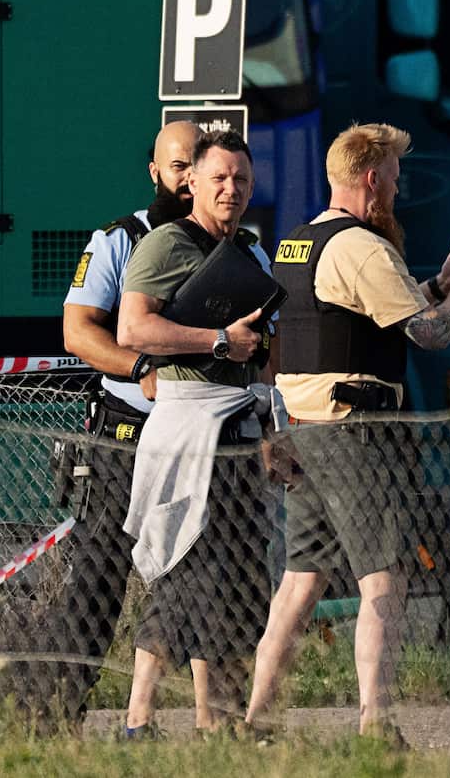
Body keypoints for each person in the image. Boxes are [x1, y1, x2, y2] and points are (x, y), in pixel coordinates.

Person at [242, 123, 450, 740]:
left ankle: (257, 717)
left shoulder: (298, 243)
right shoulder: (365, 247)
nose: (399, 188)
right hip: (354, 434)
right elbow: (429, 333)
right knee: (384, 576)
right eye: (395, 177)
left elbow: (360, 316)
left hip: (303, 431)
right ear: (372, 180)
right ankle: (377, 722)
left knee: (300, 580)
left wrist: (441, 281)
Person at [116, 129, 276, 734]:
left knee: (232, 572)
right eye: (218, 178)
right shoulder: (163, 245)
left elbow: (265, 347)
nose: (230, 188)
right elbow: (132, 330)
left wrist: (273, 428)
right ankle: (169, 716)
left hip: (238, 421)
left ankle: (196, 717)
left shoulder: (253, 252)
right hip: (186, 423)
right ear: (192, 183)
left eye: (240, 179)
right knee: (188, 566)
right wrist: (214, 341)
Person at [54, 120, 201, 726]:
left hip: (198, 433)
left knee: (196, 569)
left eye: (199, 166)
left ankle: (212, 718)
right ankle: (57, 712)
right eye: (178, 165)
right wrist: (140, 367)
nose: (188, 178)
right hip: (129, 429)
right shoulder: (120, 239)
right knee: (99, 572)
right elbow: (78, 329)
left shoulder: (226, 245)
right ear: (155, 172)